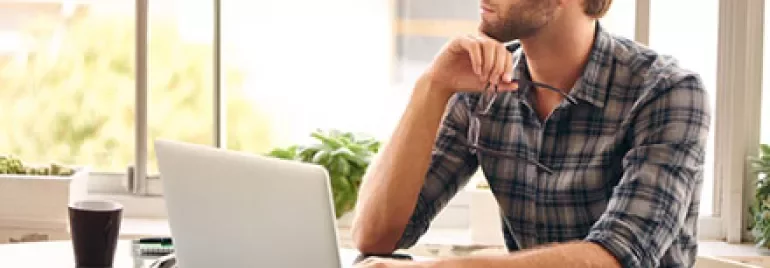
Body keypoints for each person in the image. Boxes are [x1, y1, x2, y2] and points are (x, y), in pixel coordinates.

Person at [351, 0, 710, 267]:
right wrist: (432, 87)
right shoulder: (482, 85)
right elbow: (375, 236)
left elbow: (618, 256)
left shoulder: (668, 91)